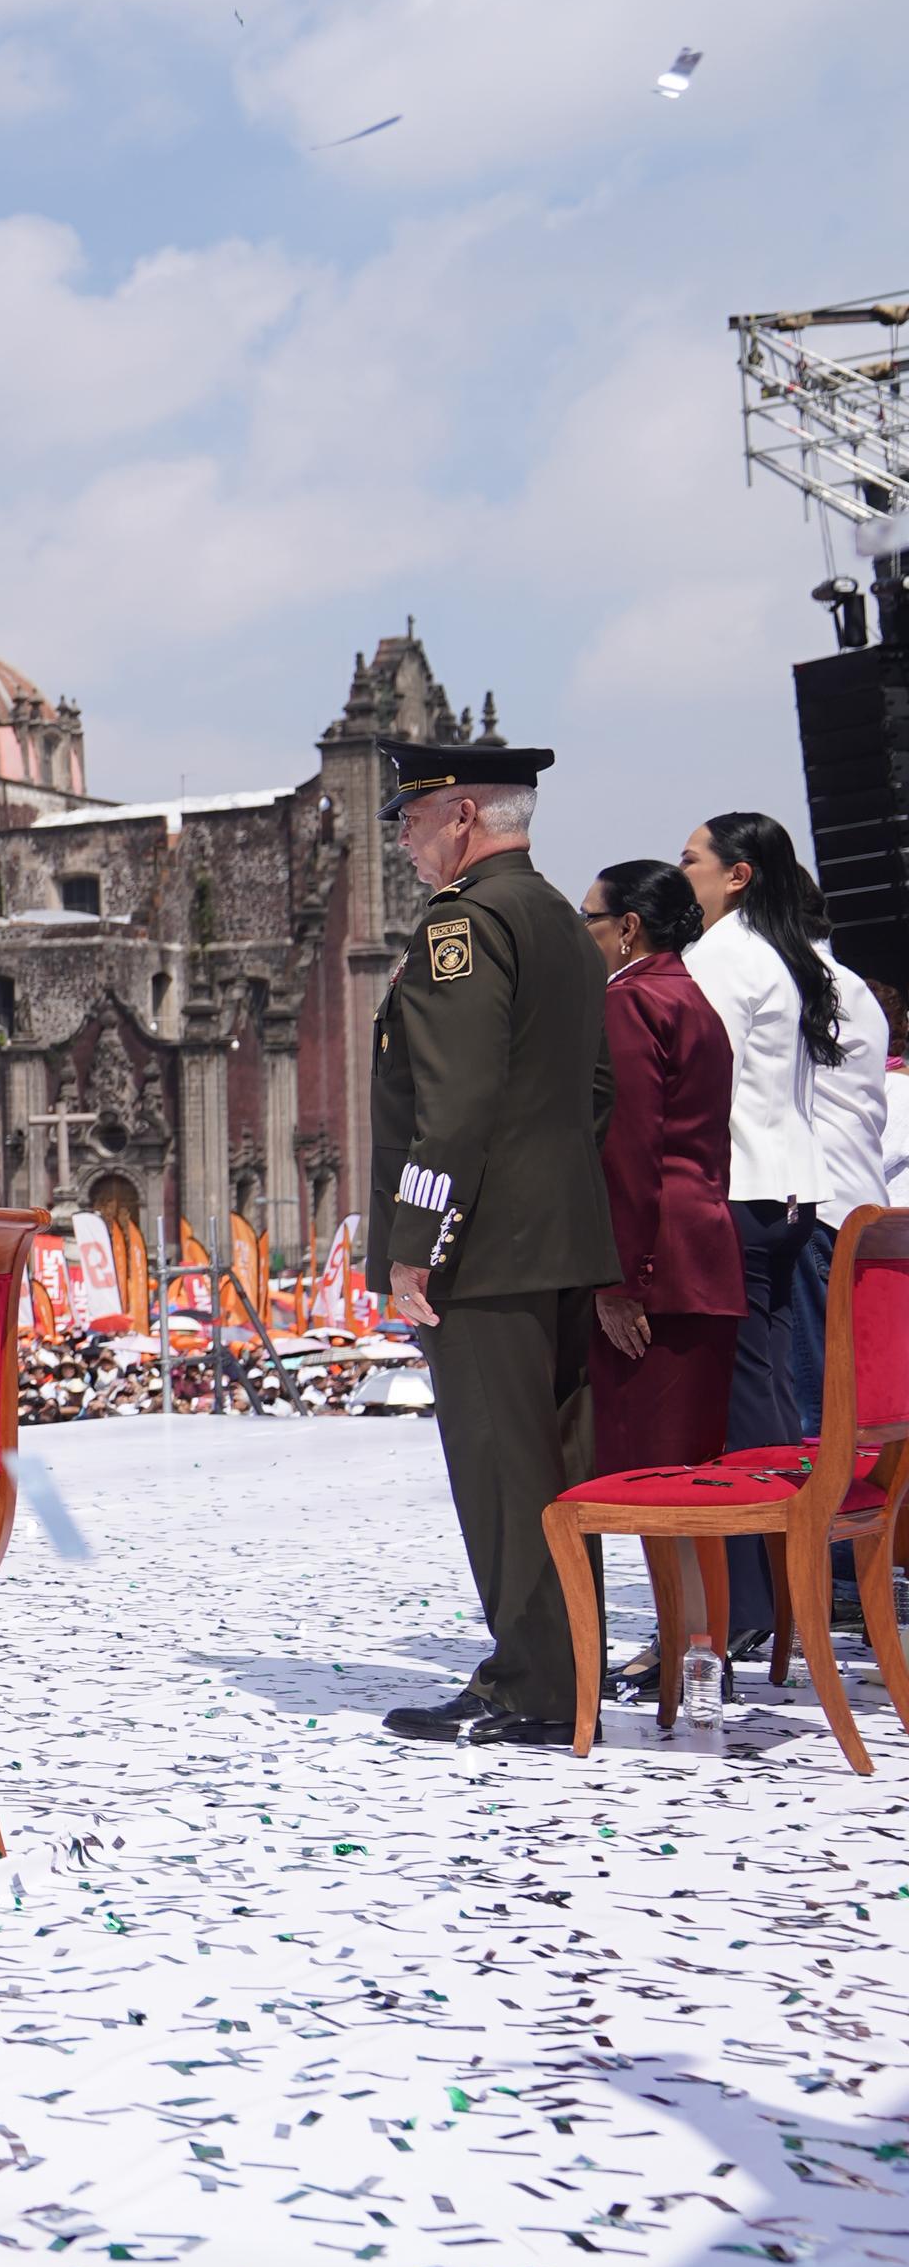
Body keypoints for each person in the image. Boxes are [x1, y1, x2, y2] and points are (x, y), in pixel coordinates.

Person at [372, 744, 615, 1747]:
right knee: (555, 1471)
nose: (402, 837)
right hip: (557, 1231)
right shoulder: (558, 916)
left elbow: (453, 1099)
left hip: (482, 1246)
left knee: (502, 1470)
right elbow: (593, 1089)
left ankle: (531, 1682)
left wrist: (416, 1236)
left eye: (411, 817)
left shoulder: (461, 927)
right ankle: (574, 1665)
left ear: (461, 814)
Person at [679, 812, 842, 1652]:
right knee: (771, 1396)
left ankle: (744, 1608)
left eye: (691, 860)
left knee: (737, 1402)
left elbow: (698, 1082)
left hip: (735, 1187)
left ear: (736, 874)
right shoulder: (782, 954)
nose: (682, 875)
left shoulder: (719, 958)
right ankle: (780, 1596)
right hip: (786, 1191)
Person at [581, 858, 742, 1691]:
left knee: (656, 1479)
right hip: (706, 1248)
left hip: (659, 1261)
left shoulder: (629, 998)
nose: (588, 937)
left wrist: (620, 1281)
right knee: (693, 1475)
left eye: (591, 921)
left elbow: (629, 1146)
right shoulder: (695, 998)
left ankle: (690, 1648)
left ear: (629, 928)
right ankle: (696, 1641)